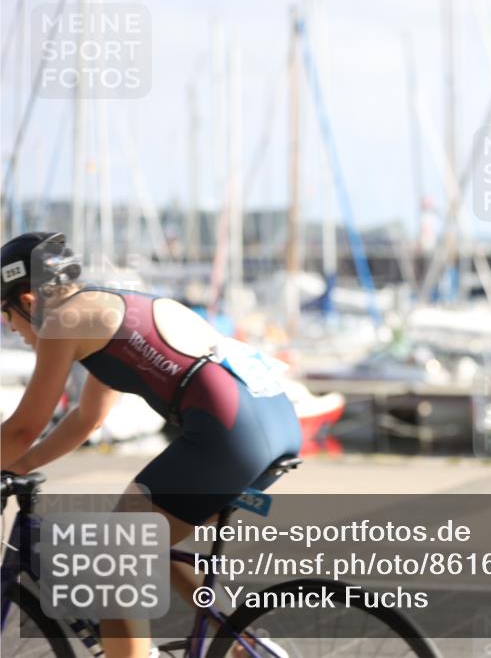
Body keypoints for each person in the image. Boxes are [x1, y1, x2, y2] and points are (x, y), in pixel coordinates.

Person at [1, 232, 302, 658]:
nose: (10, 328)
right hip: (271, 417)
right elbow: (89, 417)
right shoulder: (104, 306)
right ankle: (245, 646)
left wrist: (14, 456)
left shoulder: (61, 320)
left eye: (5, 313)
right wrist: (19, 466)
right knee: (150, 542)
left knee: (114, 561)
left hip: (231, 429)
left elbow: (21, 428)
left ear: (28, 301)